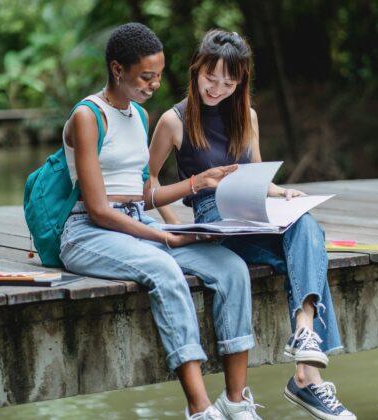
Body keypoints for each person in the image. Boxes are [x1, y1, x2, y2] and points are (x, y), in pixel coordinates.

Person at [149, 29, 357, 420]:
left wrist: (283, 195)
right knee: (309, 251)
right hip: (217, 221)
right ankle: (307, 378)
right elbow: (148, 181)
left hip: (255, 212)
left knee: (306, 226)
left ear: (241, 81)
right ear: (197, 70)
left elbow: (258, 175)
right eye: (211, 79)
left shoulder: (248, 116)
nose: (217, 89)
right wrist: (174, 225)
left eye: (229, 82)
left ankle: (304, 333)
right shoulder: (173, 121)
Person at [59, 23, 263, 419]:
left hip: (135, 225)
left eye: (158, 75)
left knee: (232, 269)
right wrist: (163, 237)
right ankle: (199, 407)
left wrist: (195, 183)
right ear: (117, 69)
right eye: (146, 77)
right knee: (165, 269)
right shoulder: (87, 116)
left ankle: (235, 403)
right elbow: (100, 208)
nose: (154, 85)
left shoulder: (137, 113)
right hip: (88, 231)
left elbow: (142, 195)